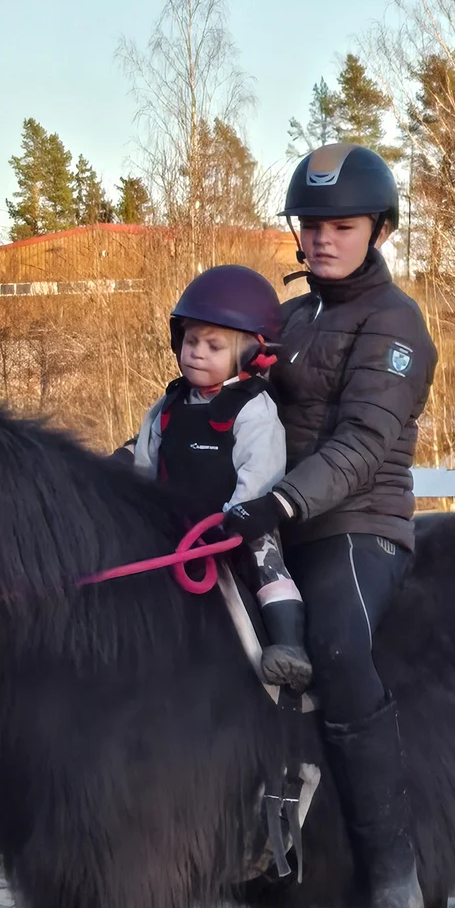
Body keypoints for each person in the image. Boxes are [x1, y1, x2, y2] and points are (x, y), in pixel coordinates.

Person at [223, 144, 438, 908]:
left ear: (377, 229)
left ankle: (392, 862)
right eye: (309, 226)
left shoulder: (396, 325)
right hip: (274, 517)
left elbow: (363, 445)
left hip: (356, 527)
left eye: (340, 226)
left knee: (341, 647)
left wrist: (278, 502)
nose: (320, 240)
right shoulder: (293, 316)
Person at [133, 264, 313, 692]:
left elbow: (261, 468)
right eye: (191, 341)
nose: (196, 352)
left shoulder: (252, 407)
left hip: (235, 522)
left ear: (251, 354)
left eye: (213, 346)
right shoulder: (170, 405)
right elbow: (146, 459)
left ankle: (288, 647)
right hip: (175, 526)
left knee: (266, 561)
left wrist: (238, 515)